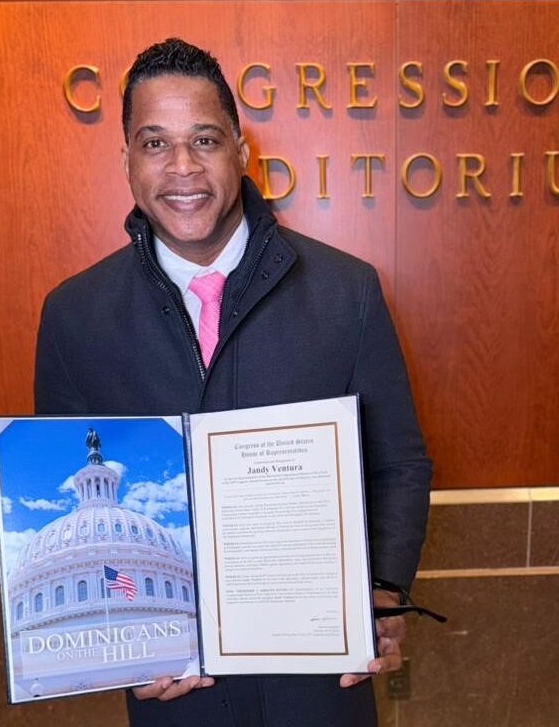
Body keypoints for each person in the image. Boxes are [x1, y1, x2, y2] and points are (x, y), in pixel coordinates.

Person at [35, 38, 431, 727]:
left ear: (241, 152)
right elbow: (55, 470)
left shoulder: (346, 291)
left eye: (204, 140)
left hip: (320, 685)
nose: (182, 167)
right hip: (177, 697)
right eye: (154, 143)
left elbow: (398, 463)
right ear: (126, 162)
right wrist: (119, 652)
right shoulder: (75, 316)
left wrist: (385, 590)